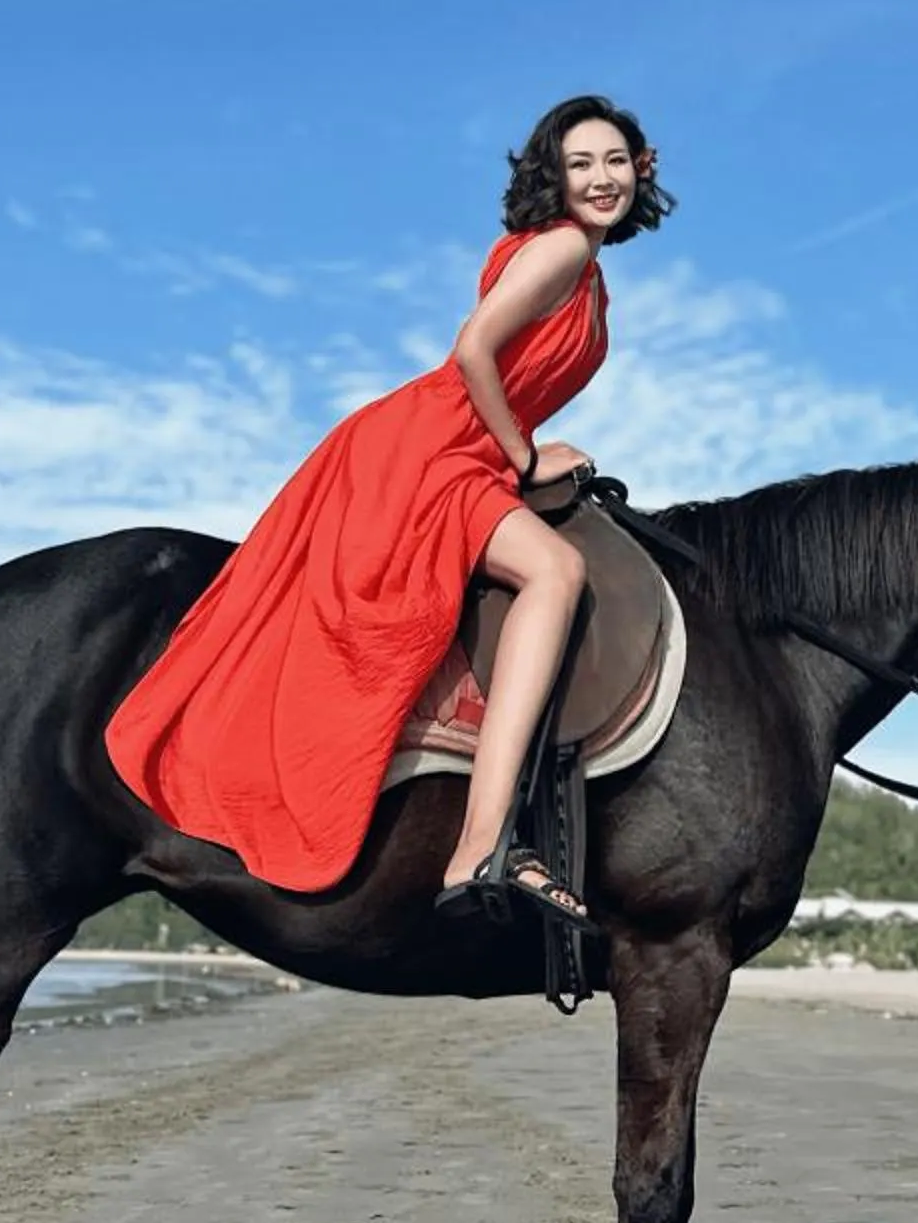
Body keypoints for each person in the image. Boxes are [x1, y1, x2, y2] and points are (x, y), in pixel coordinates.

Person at [101, 97, 672, 925]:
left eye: (613, 161)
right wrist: (524, 455)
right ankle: (483, 843)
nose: (599, 178)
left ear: (641, 167)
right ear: (554, 176)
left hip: (458, 442)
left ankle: (483, 834)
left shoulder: (585, 267)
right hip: (434, 445)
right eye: (580, 164)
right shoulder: (557, 251)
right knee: (557, 572)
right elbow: (474, 349)